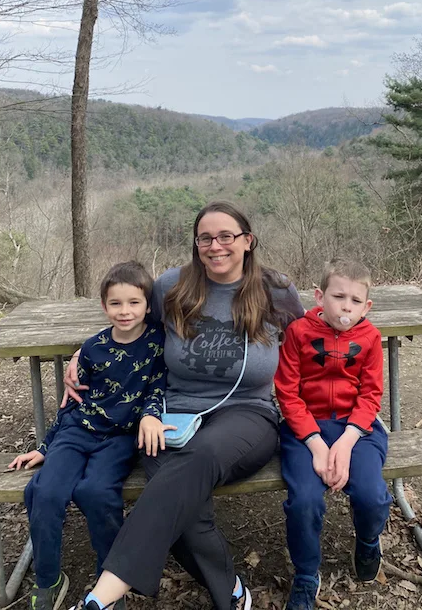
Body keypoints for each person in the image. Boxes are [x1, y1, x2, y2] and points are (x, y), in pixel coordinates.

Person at [62, 201, 304, 610]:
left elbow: (311, 336)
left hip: (249, 414)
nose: (215, 246)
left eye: (226, 236)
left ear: (247, 241)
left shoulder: (274, 288)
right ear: (196, 244)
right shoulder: (172, 286)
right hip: (171, 414)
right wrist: (79, 355)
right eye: (205, 238)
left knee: (195, 461)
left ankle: (99, 598)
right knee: (180, 498)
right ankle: (231, 592)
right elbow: (130, 327)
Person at [8, 261, 167, 610]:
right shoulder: (93, 347)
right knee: (45, 492)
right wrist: (45, 447)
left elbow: (158, 386)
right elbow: (72, 402)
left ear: (148, 305)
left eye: (134, 302)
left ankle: (110, 584)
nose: (125, 311)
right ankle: (48, 578)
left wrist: (152, 416)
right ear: (103, 306)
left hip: (121, 438)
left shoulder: (157, 341)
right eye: (115, 303)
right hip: (76, 432)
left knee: (95, 492)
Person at [274, 259, 392, 610]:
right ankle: (308, 573)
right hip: (304, 428)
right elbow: (288, 393)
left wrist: (345, 440)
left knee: (372, 495)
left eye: (355, 301)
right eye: (338, 297)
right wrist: (315, 444)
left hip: (357, 428)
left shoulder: (369, 337)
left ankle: (369, 540)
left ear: (366, 306)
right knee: (305, 502)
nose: (346, 307)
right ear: (320, 296)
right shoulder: (298, 332)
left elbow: (371, 395)